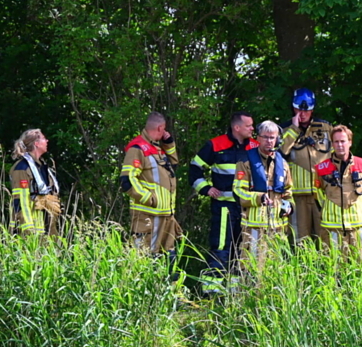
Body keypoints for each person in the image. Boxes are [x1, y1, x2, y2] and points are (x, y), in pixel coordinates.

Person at [189, 111, 257, 295]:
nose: (252, 128)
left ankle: (234, 292)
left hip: (246, 208)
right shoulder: (216, 144)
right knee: (220, 247)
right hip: (223, 207)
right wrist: (205, 188)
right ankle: (212, 293)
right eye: (248, 125)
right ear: (237, 128)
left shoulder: (254, 147)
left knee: (242, 249)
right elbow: (194, 168)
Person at [119, 112, 182, 260]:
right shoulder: (137, 148)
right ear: (160, 128)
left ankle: (167, 284)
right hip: (148, 216)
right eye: (164, 129)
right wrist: (149, 199)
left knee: (168, 258)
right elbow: (127, 179)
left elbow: (173, 166)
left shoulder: (157, 148)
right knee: (146, 258)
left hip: (166, 216)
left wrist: (169, 143)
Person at [234, 120, 292, 271]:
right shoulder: (245, 161)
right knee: (250, 268)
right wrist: (258, 198)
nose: (269, 141)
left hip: (277, 228)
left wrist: (288, 206)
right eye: (265, 137)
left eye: (272, 137)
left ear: (277, 139)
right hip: (254, 226)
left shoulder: (283, 164)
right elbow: (238, 190)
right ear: (258, 138)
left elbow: (288, 192)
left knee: (275, 269)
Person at [314, 125, 362, 265]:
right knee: (333, 265)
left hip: (358, 225)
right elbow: (318, 192)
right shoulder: (321, 168)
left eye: (343, 141)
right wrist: (329, 208)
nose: (340, 145)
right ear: (332, 143)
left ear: (350, 142)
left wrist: (358, 207)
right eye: (336, 142)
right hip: (331, 226)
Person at [279, 88, 333, 244]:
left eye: (306, 111)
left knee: (326, 236)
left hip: (322, 192)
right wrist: (294, 130)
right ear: (293, 107)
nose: (302, 114)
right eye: (298, 109)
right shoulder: (284, 129)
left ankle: (326, 267)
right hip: (297, 195)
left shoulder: (325, 128)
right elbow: (279, 154)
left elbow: (335, 156)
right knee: (300, 239)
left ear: (312, 109)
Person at [9, 128, 61, 236]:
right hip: (32, 232)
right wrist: (28, 230)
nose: (47, 141)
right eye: (44, 138)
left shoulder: (42, 167)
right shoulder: (22, 168)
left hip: (47, 230)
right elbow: (21, 201)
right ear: (36, 143)